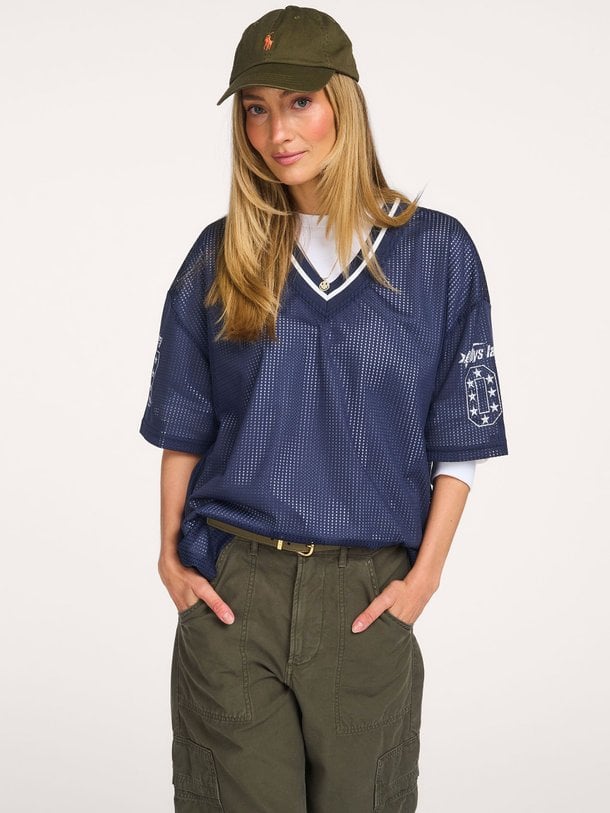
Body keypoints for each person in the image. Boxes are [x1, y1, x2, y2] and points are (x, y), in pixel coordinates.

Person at [139, 6, 508, 811]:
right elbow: (184, 424)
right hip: (236, 589)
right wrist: (170, 559)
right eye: (256, 109)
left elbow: (459, 439)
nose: (277, 131)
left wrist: (423, 580)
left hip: (365, 594)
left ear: (343, 101)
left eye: (299, 102)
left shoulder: (436, 253)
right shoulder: (222, 254)